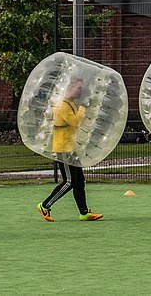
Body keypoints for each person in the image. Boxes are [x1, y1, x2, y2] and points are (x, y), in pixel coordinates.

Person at [36, 77, 103, 222]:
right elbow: (74, 122)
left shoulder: (71, 103)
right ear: (70, 88)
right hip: (63, 148)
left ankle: (84, 212)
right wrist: (83, 109)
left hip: (71, 147)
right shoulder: (62, 105)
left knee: (79, 181)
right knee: (69, 181)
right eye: (79, 88)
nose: (81, 91)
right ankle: (45, 205)